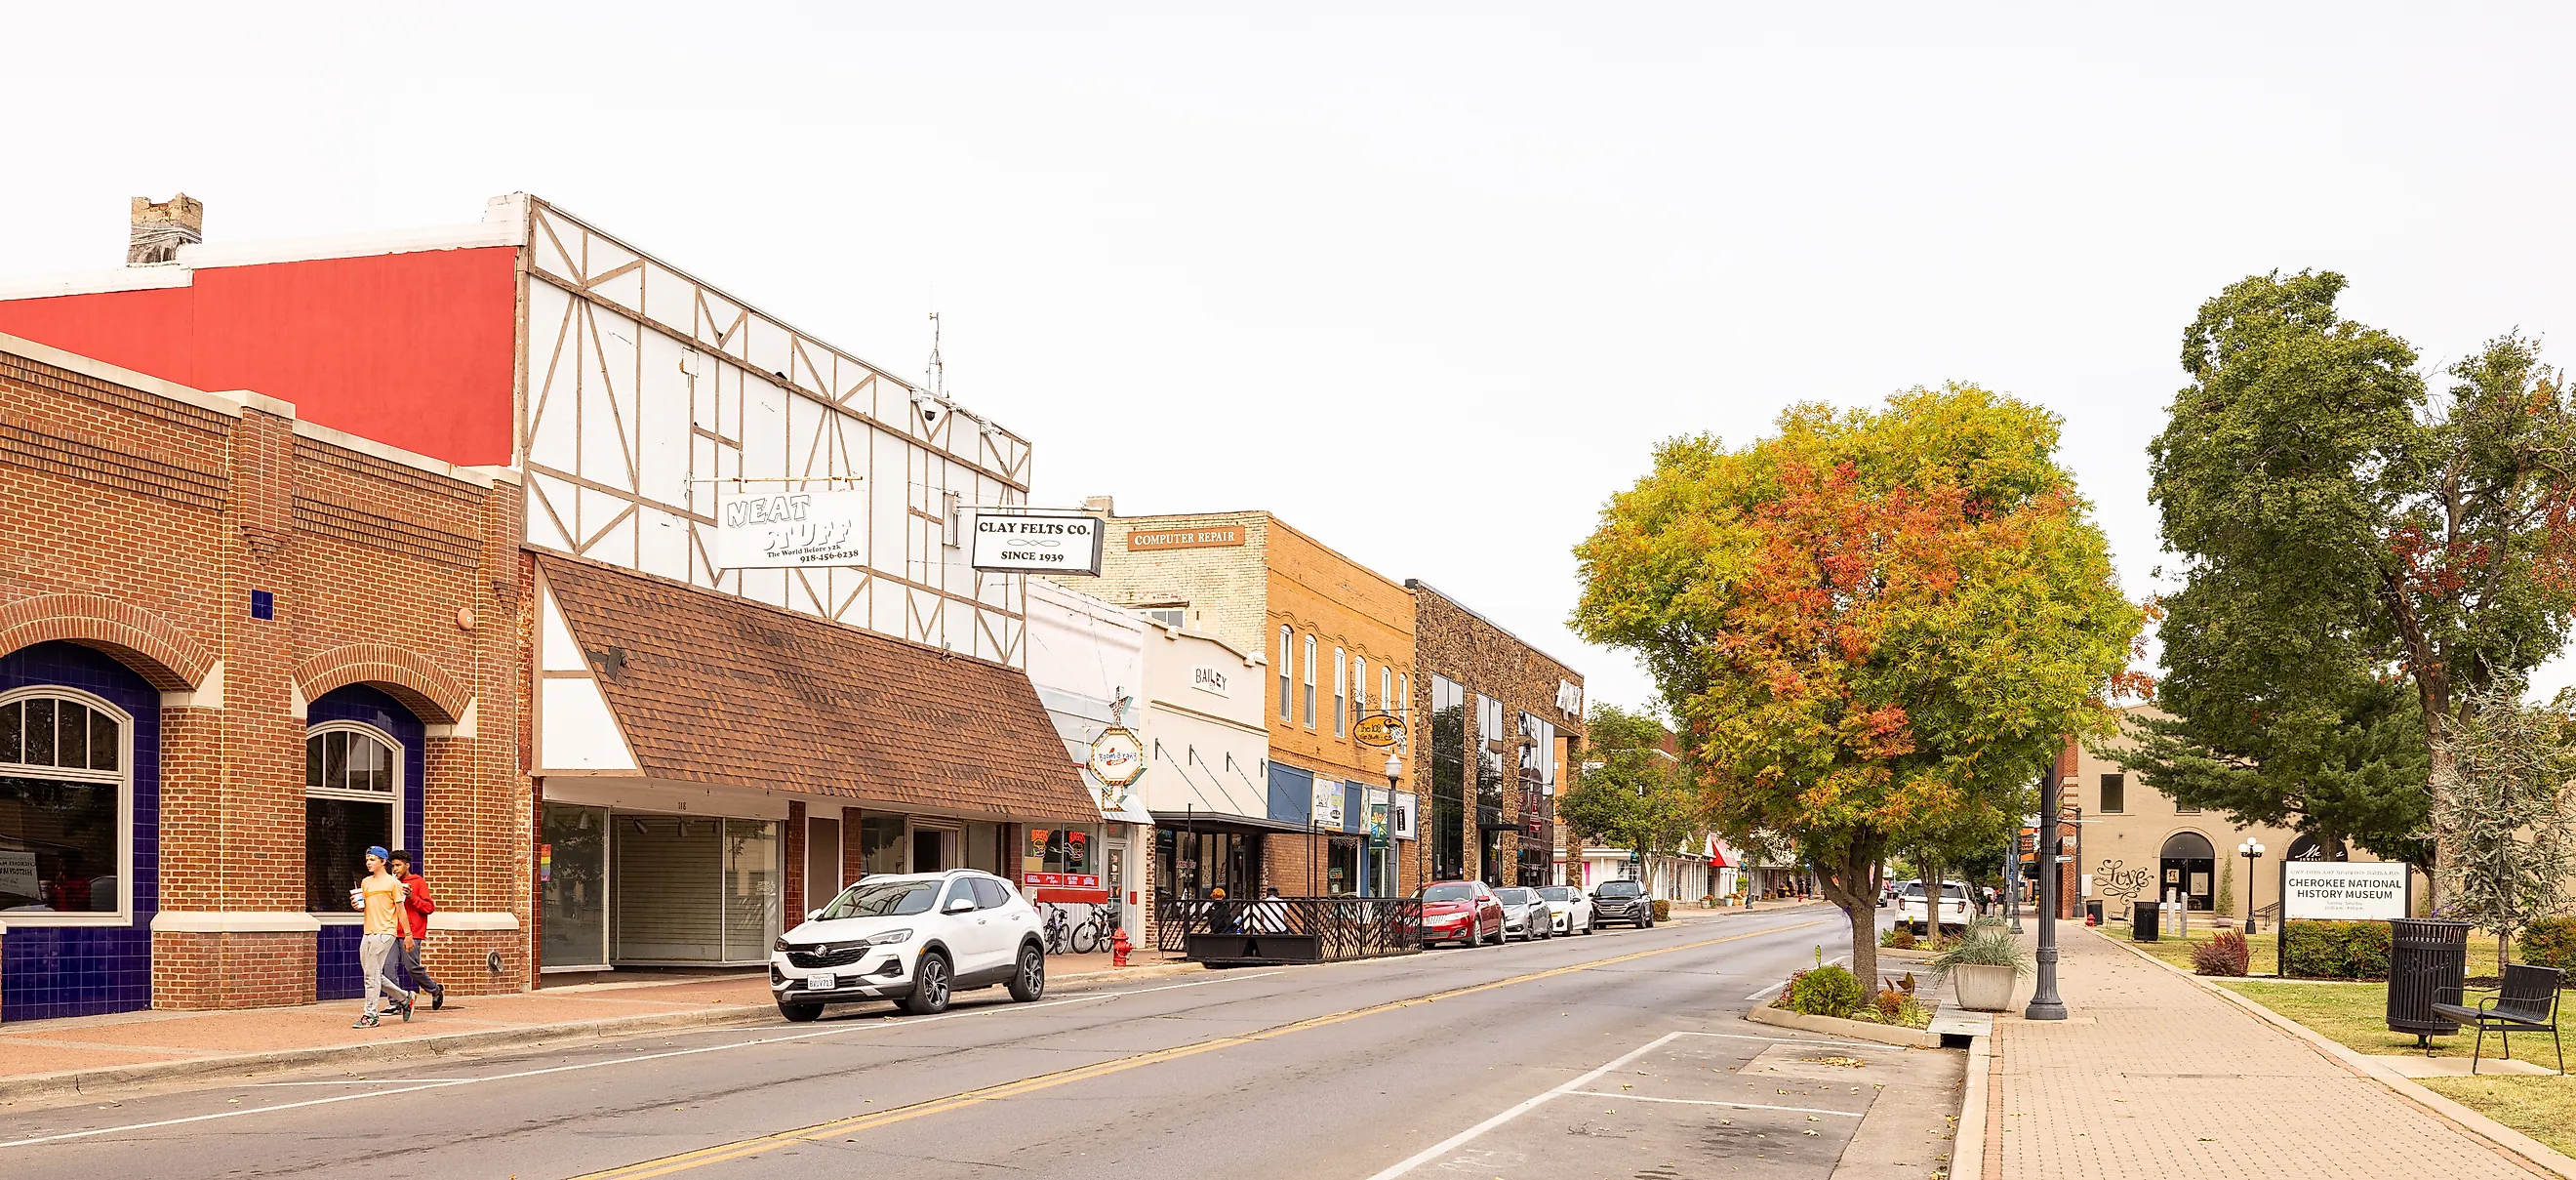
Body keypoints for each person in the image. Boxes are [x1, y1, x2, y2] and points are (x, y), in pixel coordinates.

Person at [349, 846, 415, 1028]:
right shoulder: (365, 882)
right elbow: (367, 907)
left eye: (372, 859)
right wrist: (359, 906)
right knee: (372, 973)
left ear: (383, 862)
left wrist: (408, 935)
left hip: (386, 932)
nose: (368, 862)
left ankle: (370, 1015)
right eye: (367, 859)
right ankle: (404, 997)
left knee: (371, 975)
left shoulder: (393, 884)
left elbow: (401, 910)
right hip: (368, 931)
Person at [388, 850, 446, 1011]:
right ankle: (396, 1003)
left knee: (412, 967)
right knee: (388, 966)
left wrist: (411, 896)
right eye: (392, 866)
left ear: (407, 865)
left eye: (398, 865)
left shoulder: (418, 881)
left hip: (412, 932)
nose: (395, 869)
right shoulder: (390, 882)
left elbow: (429, 908)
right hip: (392, 930)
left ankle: (435, 989)